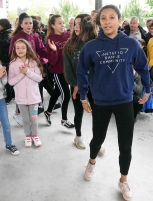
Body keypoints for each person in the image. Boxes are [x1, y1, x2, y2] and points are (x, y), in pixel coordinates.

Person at [77, 5, 151, 200]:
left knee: (125, 145)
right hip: (101, 101)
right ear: (99, 22)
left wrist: (147, 89)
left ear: (119, 20)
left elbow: (143, 67)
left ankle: (123, 180)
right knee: (97, 139)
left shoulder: (131, 44)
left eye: (111, 17)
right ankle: (91, 162)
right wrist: (83, 96)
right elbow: (81, 72)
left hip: (125, 101)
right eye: (103, 18)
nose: (107, 21)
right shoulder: (91, 46)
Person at [9, 12, 50, 125]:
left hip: (33, 67)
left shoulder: (35, 36)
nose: (29, 25)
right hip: (20, 68)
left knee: (34, 90)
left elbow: (42, 50)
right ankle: (19, 113)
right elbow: (11, 54)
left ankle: (34, 113)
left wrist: (52, 53)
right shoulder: (16, 37)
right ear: (21, 25)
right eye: (26, 23)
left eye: (30, 23)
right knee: (21, 90)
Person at [64, 14, 96, 149]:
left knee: (98, 113)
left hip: (95, 85)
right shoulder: (70, 45)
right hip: (77, 85)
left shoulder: (97, 42)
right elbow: (67, 68)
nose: (75, 27)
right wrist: (75, 84)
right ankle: (78, 136)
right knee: (79, 112)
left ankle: (97, 141)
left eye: (79, 24)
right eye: (75, 24)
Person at [9, 39, 43, 148]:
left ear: (27, 48)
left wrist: (27, 72)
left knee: (34, 118)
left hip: (34, 98)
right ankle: (27, 136)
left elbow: (39, 78)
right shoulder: (13, 64)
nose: (20, 50)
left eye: (23, 47)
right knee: (25, 119)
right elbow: (11, 81)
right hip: (21, 99)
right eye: (17, 48)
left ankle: (35, 135)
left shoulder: (33, 62)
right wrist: (22, 74)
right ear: (14, 49)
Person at [44, 15, 74, 128]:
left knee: (57, 91)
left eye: (63, 22)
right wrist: (55, 51)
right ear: (53, 25)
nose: (63, 25)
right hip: (57, 71)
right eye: (59, 23)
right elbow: (51, 61)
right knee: (66, 94)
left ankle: (48, 112)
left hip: (67, 70)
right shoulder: (50, 39)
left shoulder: (68, 35)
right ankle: (64, 120)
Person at [0, 18, 13, 104]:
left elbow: (4, 43)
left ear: (2, 25)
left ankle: (9, 96)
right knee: (6, 77)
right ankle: (11, 94)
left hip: (6, 58)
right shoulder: (1, 32)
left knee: (6, 77)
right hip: (2, 57)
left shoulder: (9, 33)